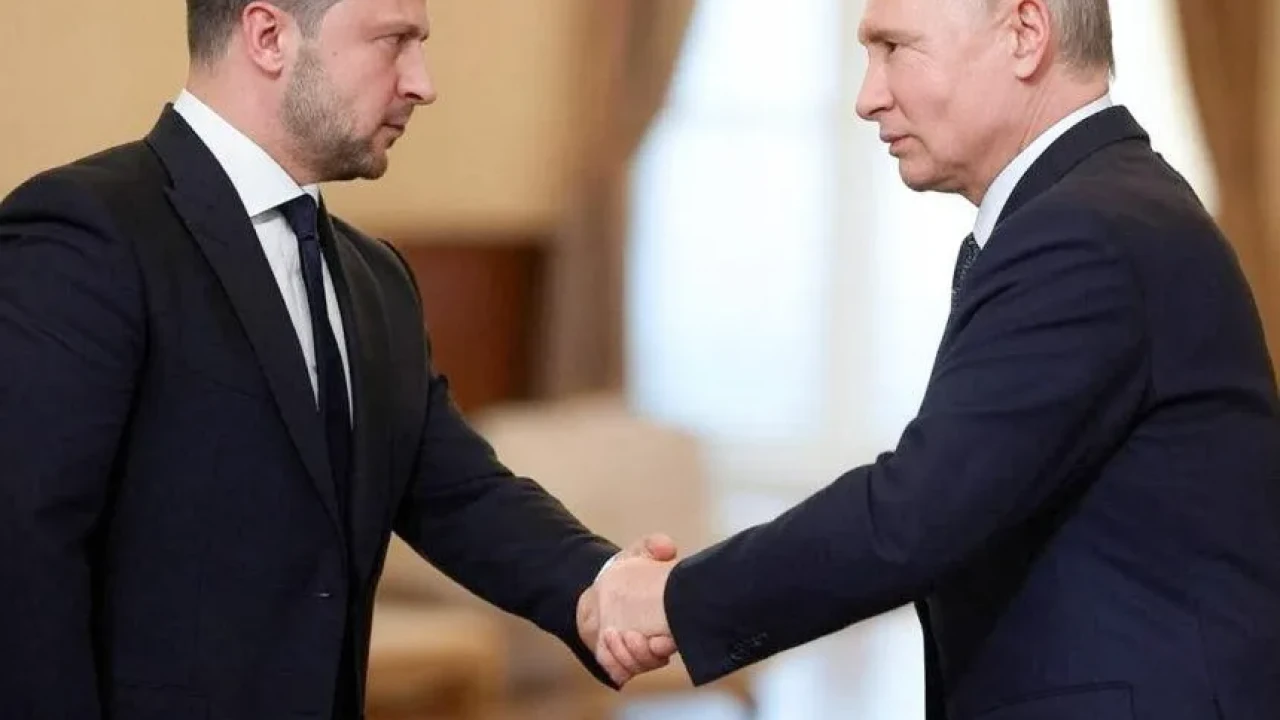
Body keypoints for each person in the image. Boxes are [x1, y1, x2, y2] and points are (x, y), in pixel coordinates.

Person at [588, 0, 1280, 717]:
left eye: (895, 48)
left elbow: (915, 516)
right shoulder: (1104, 206)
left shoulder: (1086, 232)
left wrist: (673, 601)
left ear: (1025, 34)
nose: (867, 98)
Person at [0, 0, 675, 717]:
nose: (423, 83)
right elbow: (22, 555)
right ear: (269, 37)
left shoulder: (376, 278)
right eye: (394, 41)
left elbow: (458, 493)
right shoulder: (86, 232)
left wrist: (599, 584)